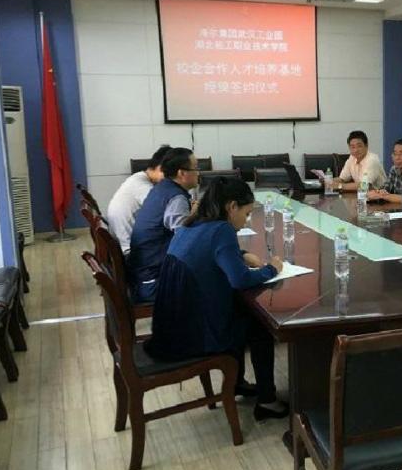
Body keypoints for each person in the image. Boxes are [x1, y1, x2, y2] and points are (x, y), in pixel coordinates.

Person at [146, 176, 289, 421]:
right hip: (192, 336)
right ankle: (267, 401)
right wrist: (272, 269)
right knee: (259, 327)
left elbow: (206, 251)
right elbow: (240, 280)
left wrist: (240, 254)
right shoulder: (223, 230)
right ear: (231, 206)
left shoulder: (192, 223)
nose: (246, 220)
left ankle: (237, 383)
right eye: (246, 213)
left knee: (240, 312)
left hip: (170, 328)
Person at [126, 147, 199, 302]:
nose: (199, 173)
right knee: (216, 278)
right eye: (196, 168)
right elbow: (187, 242)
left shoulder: (161, 188)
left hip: (143, 275)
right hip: (154, 283)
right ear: (182, 173)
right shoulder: (176, 198)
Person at [105, 144, 172, 254]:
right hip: (131, 251)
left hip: (123, 242)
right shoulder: (142, 186)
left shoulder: (137, 178)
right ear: (161, 168)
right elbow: (168, 211)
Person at [367, 137, 402, 205]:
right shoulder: (394, 169)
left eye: (401, 154)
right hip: (397, 208)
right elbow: (386, 188)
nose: (397, 158)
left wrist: (381, 196)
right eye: (395, 154)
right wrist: (378, 192)